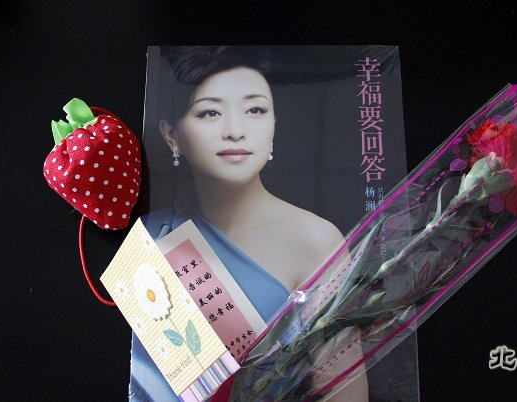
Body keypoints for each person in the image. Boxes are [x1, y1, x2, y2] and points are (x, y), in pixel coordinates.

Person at [130, 46, 369, 401]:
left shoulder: (314, 240)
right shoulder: (151, 235)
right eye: (210, 112)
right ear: (171, 134)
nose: (235, 131)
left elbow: (345, 393)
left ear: (273, 125)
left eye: (255, 110)